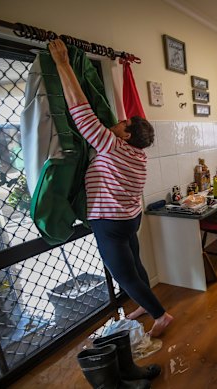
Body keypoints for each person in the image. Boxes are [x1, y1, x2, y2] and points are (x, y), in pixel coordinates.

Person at [47, 39, 174, 337]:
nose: (116, 122)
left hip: (111, 223)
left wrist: (64, 64)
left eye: (122, 122)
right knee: (136, 265)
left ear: (127, 134)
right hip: (130, 219)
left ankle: (161, 316)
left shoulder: (111, 145)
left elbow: (80, 110)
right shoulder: (139, 155)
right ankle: (146, 306)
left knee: (124, 274)